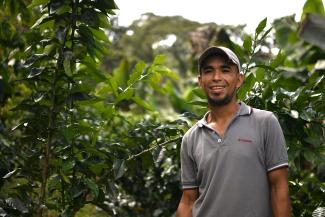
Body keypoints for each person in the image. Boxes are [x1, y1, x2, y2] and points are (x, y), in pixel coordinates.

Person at [176, 46, 291, 217]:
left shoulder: (265, 122)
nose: (216, 77)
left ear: (239, 79)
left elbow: (278, 188)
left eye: (225, 70)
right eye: (209, 71)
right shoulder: (191, 138)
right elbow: (189, 200)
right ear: (200, 81)